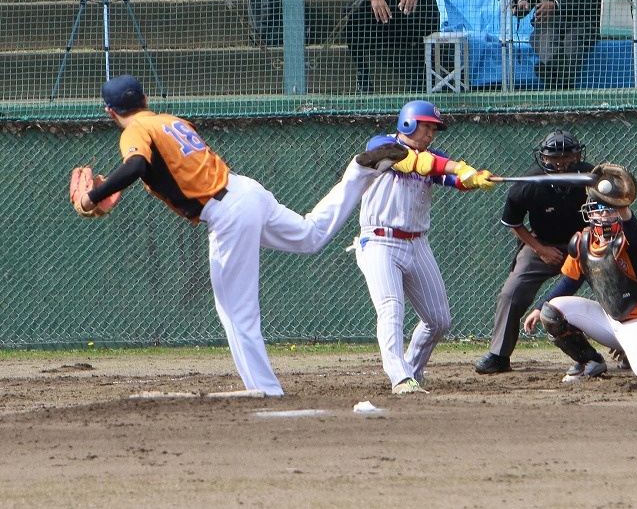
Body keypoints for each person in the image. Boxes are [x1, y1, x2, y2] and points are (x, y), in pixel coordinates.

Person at [71, 74, 410, 397]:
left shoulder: (135, 130)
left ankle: (267, 390)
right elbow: (160, 167)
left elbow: (136, 166)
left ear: (110, 112)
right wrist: (110, 188)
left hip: (226, 212)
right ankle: (359, 171)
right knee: (310, 235)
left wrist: (92, 198)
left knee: (236, 311)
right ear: (145, 99)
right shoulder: (172, 121)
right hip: (245, 190)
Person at [353, 100, 495, 394]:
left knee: (438, 320)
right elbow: (414, 163)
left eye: (434, 129)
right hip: (379, 241)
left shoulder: (433, 157)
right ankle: (400, 377)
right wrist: (458, 167)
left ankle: (412, 370)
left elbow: (451, 178)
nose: (431, 133)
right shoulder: (381, 145)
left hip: (417, 243)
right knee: (391, 308)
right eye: (426, 126)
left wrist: (474, 178)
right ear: (407, 123)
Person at [523, 163, 637, 381]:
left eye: (609, 209)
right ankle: (590, 362)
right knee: (552, 310)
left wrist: (622, 205)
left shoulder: (632, 236)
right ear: (590, 212)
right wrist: (539, 308)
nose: (604, 214)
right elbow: (569, 283)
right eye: (599, 209)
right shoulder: (583, 240)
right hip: (610, 319)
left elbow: (635, 236)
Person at [474, 130, 594, 375]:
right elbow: (513, 222)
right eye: (554, 158)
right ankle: (499, 355)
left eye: (567, 156)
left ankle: (629, 349)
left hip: (585, 244)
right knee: (511, 293)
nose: (561, 163)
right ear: (543, 158)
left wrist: (588, 244)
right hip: (543, 243)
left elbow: (609, 209)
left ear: (577, 155)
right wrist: (540, 250)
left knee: (615, 284)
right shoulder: (529, 182)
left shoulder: (590, 177)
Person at [342, 0, 439, 94]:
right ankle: (363, 79)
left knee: (430, 11)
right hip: (375, 13)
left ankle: (421, 79)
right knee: (352, 21)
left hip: (404, 8)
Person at [512, 0, 604, 89]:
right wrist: (523, 0)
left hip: (581, 21)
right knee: (545, 37)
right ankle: (554, 68)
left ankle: (551, 72)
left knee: (572, 43)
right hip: (548, 20)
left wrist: (556, 5)